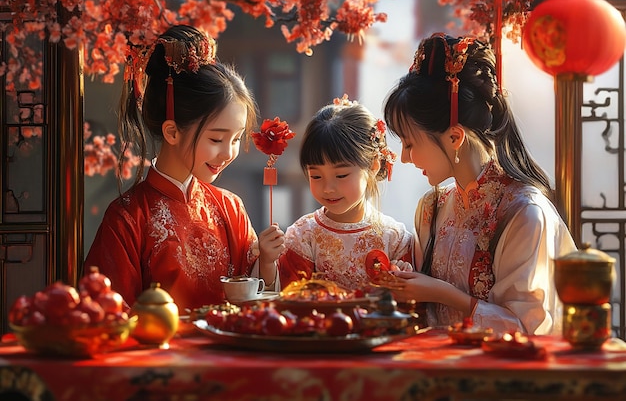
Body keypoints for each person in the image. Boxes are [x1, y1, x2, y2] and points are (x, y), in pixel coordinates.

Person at [383, 32, 577, 335]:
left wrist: (444, 295)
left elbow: (530, 330)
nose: (405, 158)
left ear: (454, 137)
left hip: (501, 377)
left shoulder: (524, 213)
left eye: (409, 143)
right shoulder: (432, 207)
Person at [84, 25, 284, 311]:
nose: (228, 153)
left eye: (236, 138)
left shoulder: (230, 208)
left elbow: (254, 308)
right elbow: (110, 315)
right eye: (216, 138)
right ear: (172, 132)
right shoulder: (127, 219)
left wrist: (266, 261)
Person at [277, 96, 414, 292]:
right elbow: (292, 301)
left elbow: (409, 309)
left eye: (341, 175)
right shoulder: (302, 236)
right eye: (316, 176)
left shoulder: (395, 238)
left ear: (373, 165)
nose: (328, 188)